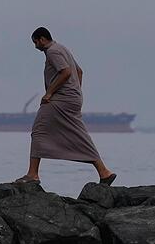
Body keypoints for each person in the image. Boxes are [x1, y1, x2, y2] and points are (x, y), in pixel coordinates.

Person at [15, 27, 117, 186]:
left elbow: (66, 71)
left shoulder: (52, 52)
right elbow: (80, 72)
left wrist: (49, 93)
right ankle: (104, 172)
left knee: (39, 129)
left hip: (60, 99)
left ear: (42, 39)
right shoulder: (62, 48)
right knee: (79, 134)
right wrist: (76, 92)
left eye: (35, 42)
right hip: (72, 98)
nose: (35, 46)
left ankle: (32, 174)